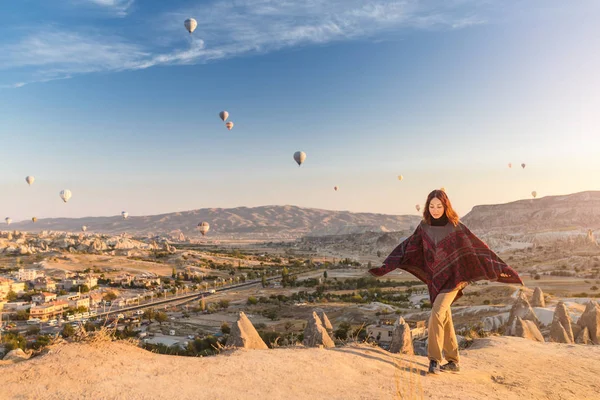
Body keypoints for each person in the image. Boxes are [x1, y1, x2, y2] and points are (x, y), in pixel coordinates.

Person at [368, 189, 523, 374]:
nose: (435, 209)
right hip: (436, 279)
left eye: (439, 206)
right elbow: (408, 247)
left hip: (454, 279)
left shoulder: (455, 226)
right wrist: (387, 265)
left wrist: (501, 269)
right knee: (445, 317)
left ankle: (434, 359)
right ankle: (453, 361)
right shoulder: (424, 227)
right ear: (427, 207)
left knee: (436, 313)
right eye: (431, 206)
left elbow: (477, 247)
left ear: (445, 206)